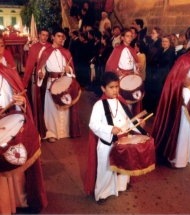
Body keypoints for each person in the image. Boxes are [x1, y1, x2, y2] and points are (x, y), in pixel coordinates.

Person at [152, 29, 190, 168]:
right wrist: (186, 83)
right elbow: (175, 80)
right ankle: (180, 158)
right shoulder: (184, 59)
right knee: (186, 127)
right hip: (187, 96)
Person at [0, 36, 47, 214]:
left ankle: (18, 200)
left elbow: (21, 99)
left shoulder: (8, 72)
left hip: (10, 124)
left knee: (14, 161)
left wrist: (21, 102)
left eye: (1, 46)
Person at [84, 72, 147, 204]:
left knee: (123, 166)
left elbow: (128, 121)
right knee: (106, 169)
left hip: (123, 142)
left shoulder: (121, 102)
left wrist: (138, 124)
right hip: (107, 143)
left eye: (117, 87)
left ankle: (120, 186)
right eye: (111, 87)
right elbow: (93, 124)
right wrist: (109, 129)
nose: (115, 90)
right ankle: (102, 193)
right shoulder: (99, 105)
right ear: (103, 88)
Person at [37, 27, 81, 143]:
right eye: (58, 36)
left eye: (63, 37)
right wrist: (41, 75)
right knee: (52, 108)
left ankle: (65, 132)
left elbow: (71, 70)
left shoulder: (66, 52)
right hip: (52, 83)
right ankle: (52, 133)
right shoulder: (46, 51)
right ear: (53, 37)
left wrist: (69, 69)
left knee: (64, 106)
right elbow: (41, 69)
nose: (61, 39)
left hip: (64, 83)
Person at [106, 28, 142, 115]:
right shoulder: (117, 49)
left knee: (131, 100)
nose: (130, 38)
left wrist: (137, 67)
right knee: (122, 100)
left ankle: (129, 119)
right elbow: (111, 64)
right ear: (122, 37)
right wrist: (117, 71)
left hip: (131, 77)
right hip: (121, 78)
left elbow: (134, 64)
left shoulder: (132, 49)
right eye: (127, 36)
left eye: (131, 36)